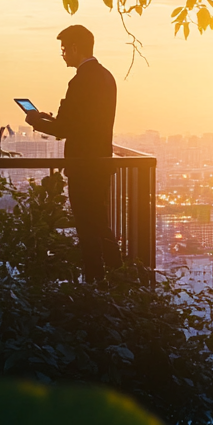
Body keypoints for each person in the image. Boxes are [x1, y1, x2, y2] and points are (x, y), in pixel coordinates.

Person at [25, 24, 122, 282]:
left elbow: (67, 128)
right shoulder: (106, 77)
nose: (63, 54)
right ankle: (120, 277)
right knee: (99, 223)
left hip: (83, 164)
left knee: (87, 226)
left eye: (65, 48)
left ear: (76, 47)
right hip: (101, 162)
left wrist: (36, 121)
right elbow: (83, 123)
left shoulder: (80, 80)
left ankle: (94, 280)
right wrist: (52, 120)